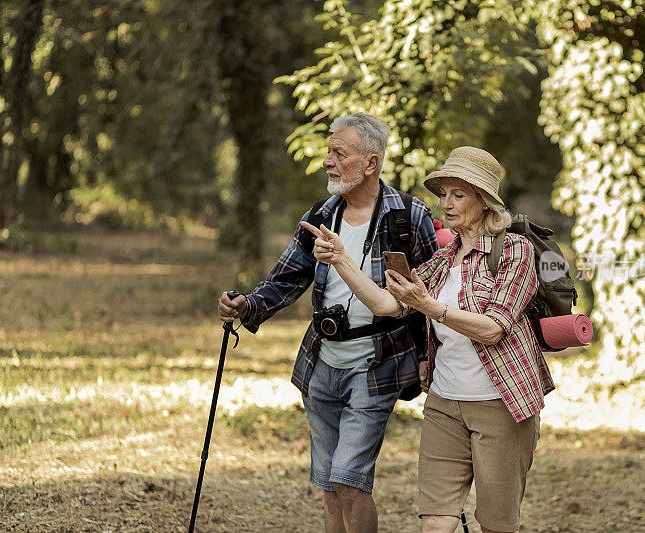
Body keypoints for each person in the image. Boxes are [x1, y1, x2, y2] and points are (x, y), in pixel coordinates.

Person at [301, 146, 555, 533]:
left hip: (501, 404)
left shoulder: (514, 252)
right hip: (444, 403)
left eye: (459, 194)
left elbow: (493, 328)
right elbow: (388, 304)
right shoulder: (444, 256)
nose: (446, 204)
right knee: (434, 520)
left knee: (496, 523)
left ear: (484, 201)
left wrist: (430, 306)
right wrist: (340, 260)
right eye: (443, 195)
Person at [218, 112, 438, 533]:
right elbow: (285, 280)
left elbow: (434, 294)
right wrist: (246, 305)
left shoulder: (408, 217)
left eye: (340, 152)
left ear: (370, 163)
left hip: (377, 366)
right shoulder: (320, 215)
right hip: (321, 363)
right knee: (330, 486)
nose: (327, 161)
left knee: (349, 482)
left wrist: (431, 357)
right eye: (329, 151)